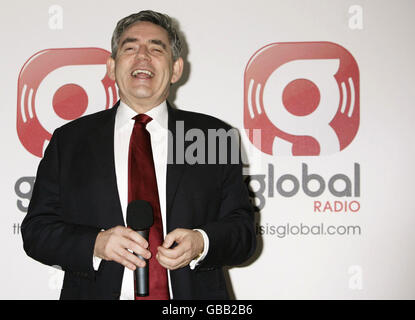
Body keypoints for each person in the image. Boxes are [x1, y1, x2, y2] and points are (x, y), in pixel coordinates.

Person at [21, 10, 256, 300]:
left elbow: (243, 233)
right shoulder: (70, 141)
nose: (142, 56)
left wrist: (201, 242)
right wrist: (95, 243)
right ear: (111, 66)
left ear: (176, 69)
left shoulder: (213, 135)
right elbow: (37, 232)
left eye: (156, 49)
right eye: (130, 48)